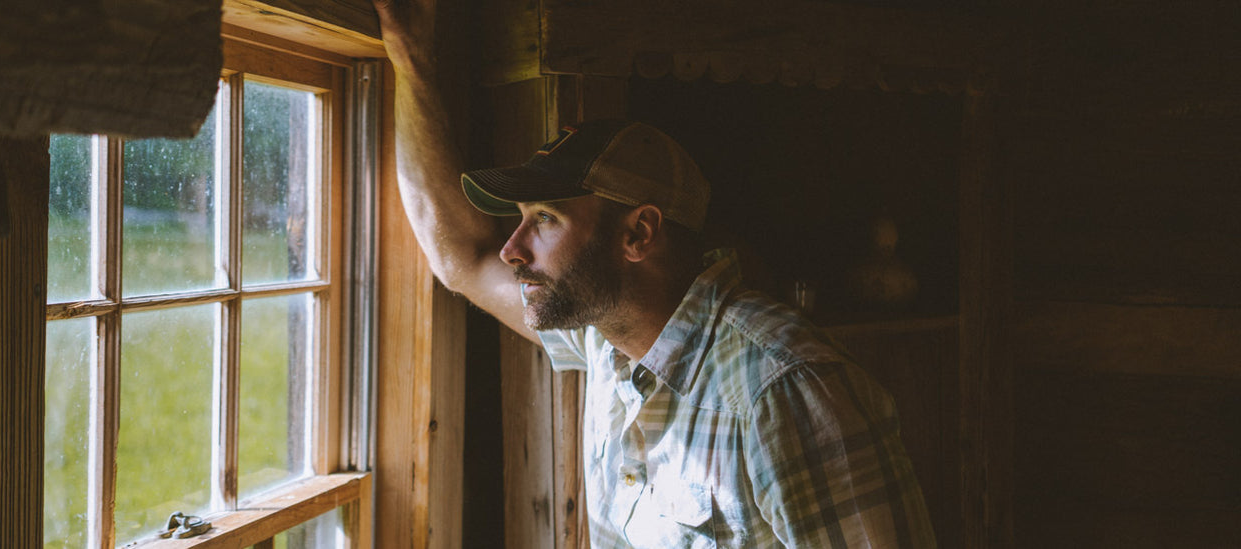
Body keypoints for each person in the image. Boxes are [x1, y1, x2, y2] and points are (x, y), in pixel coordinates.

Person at [373, 1, 937, 547]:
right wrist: (409, 55)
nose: (511, 250)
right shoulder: (605, 339)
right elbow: (462, 258)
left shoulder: (786, 390)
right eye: (519, 221)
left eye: (545, 219)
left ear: (638, 234)